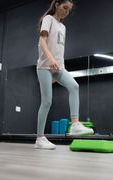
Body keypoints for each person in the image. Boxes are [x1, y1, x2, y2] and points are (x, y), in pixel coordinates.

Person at [35, 0, 94, 150]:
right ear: (56, 5)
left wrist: (59, 71)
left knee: (74, 86)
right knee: (47, 101)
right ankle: (40, 138)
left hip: (59, 67)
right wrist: (50, 59)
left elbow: (59, 50)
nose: (67, 12)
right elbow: (42, 41)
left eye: (69, 10)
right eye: (64, 7)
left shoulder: (63, 27)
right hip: (44, 66)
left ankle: (75, 124)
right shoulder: (48, 19)